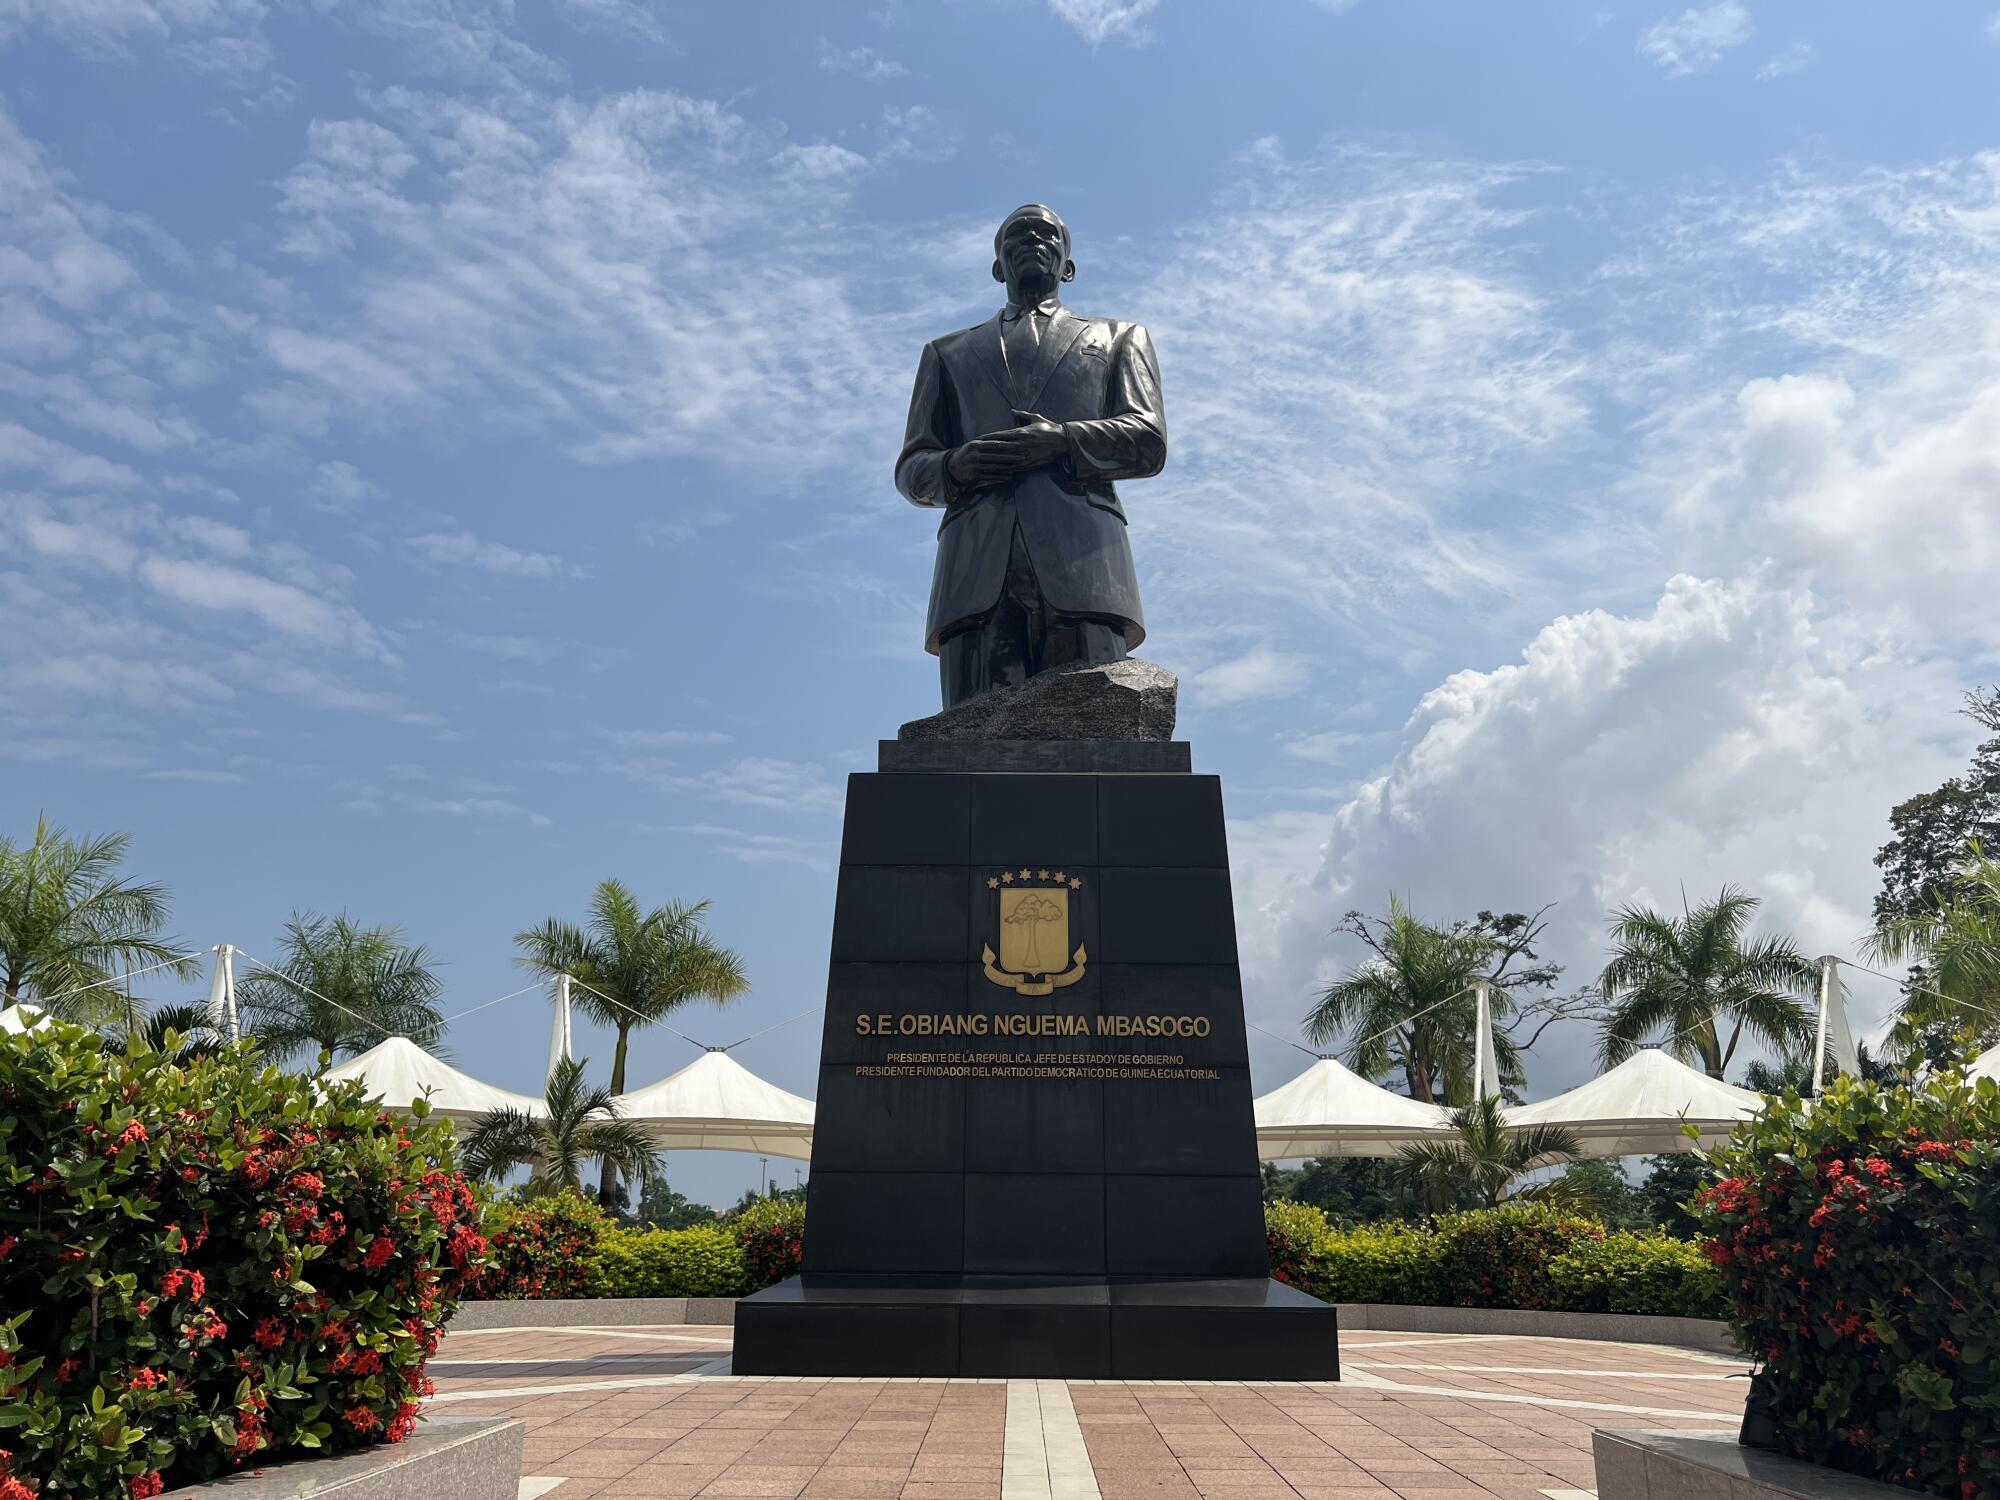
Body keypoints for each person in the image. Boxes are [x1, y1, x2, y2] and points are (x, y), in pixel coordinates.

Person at [895, 204, 1167, 708]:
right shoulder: (946, 354)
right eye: (1017, 236)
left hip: (1086, 566)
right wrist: (955, 465)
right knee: (966, 736)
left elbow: (1148, 439)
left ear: (1069, 266)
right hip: (975, 570)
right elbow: (913, 468)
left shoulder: (1119, 339)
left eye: (1047, 234)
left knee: (1097, 731)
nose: (1032, 241)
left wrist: (1062, 440)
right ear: (997, 266)